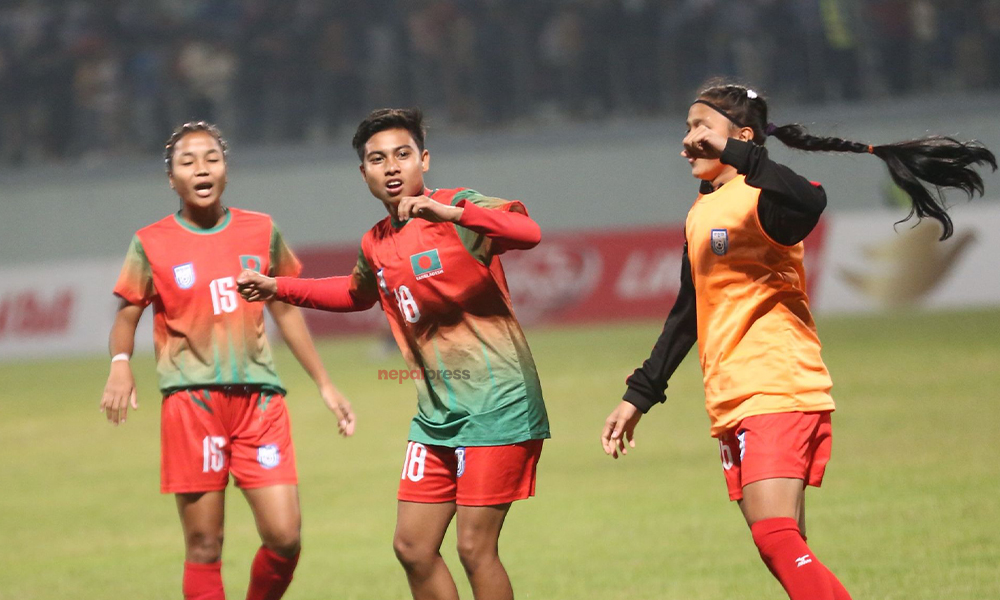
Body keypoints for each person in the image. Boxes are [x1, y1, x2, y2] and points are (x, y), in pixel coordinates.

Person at [601, 81, 996, 600]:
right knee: (783, 544)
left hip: (777, 384)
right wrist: (639, 396)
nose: (688, 140)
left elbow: (812, 198)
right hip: (732, 395)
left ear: (740, 136)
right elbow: (687, 312)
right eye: (687, 128)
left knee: (775, 536)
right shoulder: (704, 211)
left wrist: (737, 153)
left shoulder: (766, 198)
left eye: (701, 127)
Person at [237, 107, 550, 600]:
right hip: (437, 415)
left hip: (498, 404)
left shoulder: (459, 206)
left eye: (403, 154)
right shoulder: (376, 242)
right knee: (412, 546)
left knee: (474, 548)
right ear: (364, 173)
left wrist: (450, 213)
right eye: (377, 159)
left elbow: (528, 234)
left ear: (424, 159)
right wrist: (278, 286)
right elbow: (356, 293)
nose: (392, 167)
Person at [99, 121, 355, 600]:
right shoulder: (151, 242)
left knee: (285, 536)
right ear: (170, 179)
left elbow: (284, 306)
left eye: (211, 158)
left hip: (260, 405)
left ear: (226, 170)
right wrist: (119, 362)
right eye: (188, 161)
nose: (201, 168)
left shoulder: (260, 230)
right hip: (192, 405)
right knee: (204, 544)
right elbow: (127, 315)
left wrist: (324, 383)